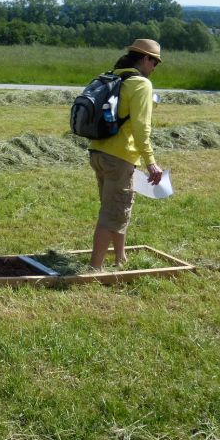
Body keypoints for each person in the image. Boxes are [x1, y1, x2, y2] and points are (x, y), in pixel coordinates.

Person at [88, 38, 164, 271]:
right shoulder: (141, 84)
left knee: (115, 209)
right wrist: (151, 162)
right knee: (113, 213)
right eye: (155, 62)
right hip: (119, 157)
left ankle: (121, 258)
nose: (154, 68)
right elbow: (142, 128)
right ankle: (95, 269)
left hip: (98, 152)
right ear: (145, 58)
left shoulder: (113, 76)